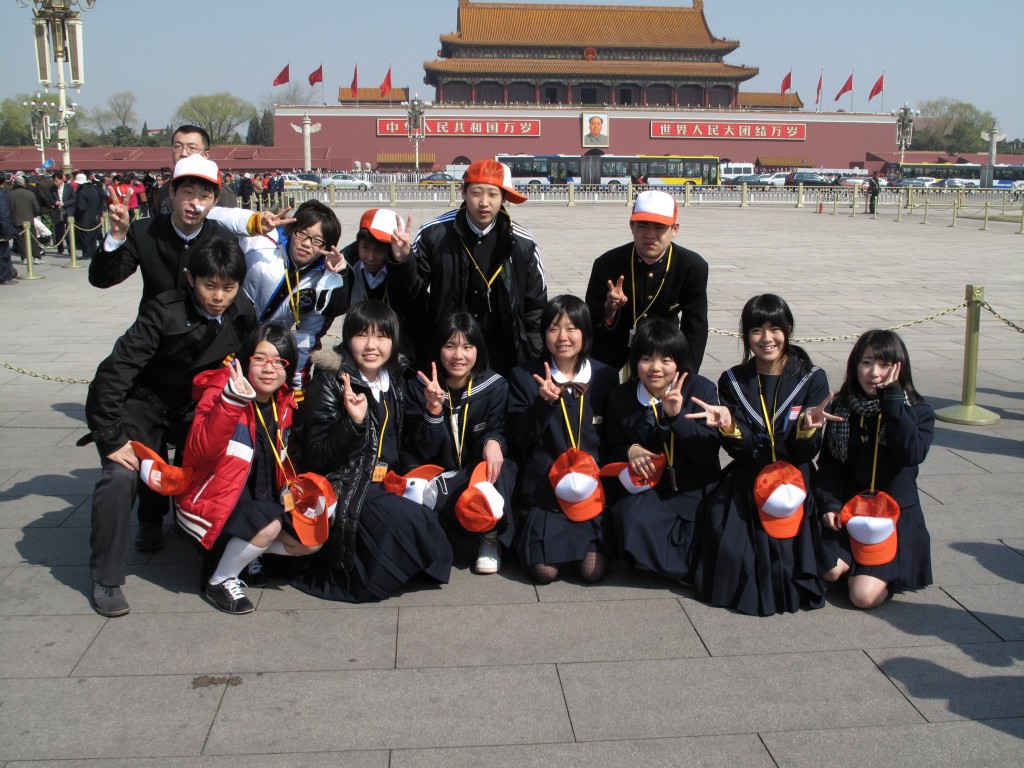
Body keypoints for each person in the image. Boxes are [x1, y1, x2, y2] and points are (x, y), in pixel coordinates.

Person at [83, 236, 256, 617]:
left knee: (231, 452)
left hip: (194, 407)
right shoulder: (162, 312)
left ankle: (206, 538)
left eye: (228, 287)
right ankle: (107, 576)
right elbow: (114, 374)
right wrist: (110, 437)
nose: (218, 297)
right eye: (209, 285)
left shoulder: (243, 313)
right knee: (121, 475)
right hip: (142, 404)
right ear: (190, 278)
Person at [294, 300, 453, 602]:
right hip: (349, 483)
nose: (371, 346)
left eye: (381, 336)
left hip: (388, 479)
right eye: (361, 335)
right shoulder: (330, 380)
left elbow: (412, 444)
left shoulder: (394, 379)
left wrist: (433, 411)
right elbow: (316, 456)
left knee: (432, 517)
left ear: (393, 341)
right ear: (347, 338)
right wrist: (352, 424)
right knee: (410, 522)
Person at [690, 294, 831, 616]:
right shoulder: (733, 380)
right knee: (731, 550)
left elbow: (806, 452)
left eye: (774, 328)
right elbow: (740, 449)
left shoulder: (811, 377)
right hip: (749, 474)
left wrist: (807, 429)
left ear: (788, 329)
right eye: (756, 330)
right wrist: (728, 427)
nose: (766, 339)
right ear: (746, 335)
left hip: (795, 474)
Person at [175, 323, 323, 614]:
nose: (269, 369)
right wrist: (230, 402)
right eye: (260, 359)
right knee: (268, 525)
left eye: (279, 361)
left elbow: (284, 456)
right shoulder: (222, 389)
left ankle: (244, 553)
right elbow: (199, 452)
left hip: (262, 497)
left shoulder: (285, 401)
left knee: (311, 541)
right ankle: (221, 579)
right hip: (216, 499)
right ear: (245, 360)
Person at [814, 330, 934, 609]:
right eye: (867, 362)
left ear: (899, 369)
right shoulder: (843, 407)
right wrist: (829, 504)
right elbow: (830, 464)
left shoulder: (917, 410)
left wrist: (892, 403)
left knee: (863, 596)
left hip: (889, 518)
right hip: (851, 511)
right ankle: (853, 562)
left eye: (884, 365)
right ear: (855, 364)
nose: (874, 373)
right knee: (830, 569)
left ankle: (883, 571)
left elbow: (911, 453)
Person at [507, 295, 618, 584]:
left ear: (585, 332)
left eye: (572, 328)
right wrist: (542, 405)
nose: (563, 337)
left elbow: (612, 437)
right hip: (545, 490)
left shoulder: (605, 376)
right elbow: (519, 439)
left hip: (591, 491)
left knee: (592, 571)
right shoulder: (525, 376)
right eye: (554, 328)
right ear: (544, 334)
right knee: (544, 573)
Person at [398, 159, 547, 375]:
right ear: (463, 192)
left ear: (504, 198)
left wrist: (532, 363)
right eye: (476, 193)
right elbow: (412, 292)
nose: (484, 202)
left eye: (493, 194)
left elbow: (536, 308)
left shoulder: (523, 243)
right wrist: (404, 261)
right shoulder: (434, 234)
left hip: (502, 355)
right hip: (450, 352)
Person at [604, 318, 721, 582]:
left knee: (709, 532)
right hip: (651, 490)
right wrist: (630, 450)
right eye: (646, 358)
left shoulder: (700, 390)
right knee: (629, 518)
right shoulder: (621, 397)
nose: (655, 368)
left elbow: (707, 451)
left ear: (679, 361)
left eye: (666, 359)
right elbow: (612, 446)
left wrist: (677, 417)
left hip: (695, 485)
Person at [405, 312, 517, 574]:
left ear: (478, 349)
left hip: (473, 474)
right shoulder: (417, 388)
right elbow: (421, 449)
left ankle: (491, 538)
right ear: (437, 348)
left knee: (502, 466)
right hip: (436, 474)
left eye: (467, 347)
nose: (459, 356)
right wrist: (433, 410)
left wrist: (493, 440)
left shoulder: (494, 386)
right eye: (450, 346)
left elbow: (500, 427)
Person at [210, 199, 346, 382]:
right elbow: (212, 215)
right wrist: (252, 221)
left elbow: (307, 335)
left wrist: (296, 384)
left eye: (317, 241)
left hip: (265, 354)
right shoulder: (263, 238)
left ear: (328, 247)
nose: (307, 244)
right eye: (302, 233)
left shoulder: (322, 281)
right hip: (222, 334)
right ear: (292, 228)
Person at [585, 189, 709, 374]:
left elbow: (695, 329)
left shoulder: (692, 266)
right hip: (612, 352)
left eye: (659, 227)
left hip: (663, 354)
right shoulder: (607, 263)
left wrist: (685, 375)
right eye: (642, 226)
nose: (650, 234)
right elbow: (589, 321)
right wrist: (609, 309)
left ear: (674, 229)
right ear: (631, 226)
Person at [90, 154, 231, 308]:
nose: (195, 203)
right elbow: (102, 279)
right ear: (172, 192)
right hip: (152, 328)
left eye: (204, 196)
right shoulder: (144, 231)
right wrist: (117, 235)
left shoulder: (224, 239)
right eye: (188, 193)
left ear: (215, 201)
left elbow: (234, 296)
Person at [337, 208, 418, 362]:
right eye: (365, 248)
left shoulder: (400, 270)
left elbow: (414, 298)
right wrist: (337, 276)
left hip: (397, 348)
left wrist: (404, 264)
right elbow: (333, 308)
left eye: (379, 250)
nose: (371, 257)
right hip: (361, 349)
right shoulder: (348, 267)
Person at [156, 124, 212, 215]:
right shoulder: (166, 188)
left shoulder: (217, 190)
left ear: (206, 155)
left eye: (192, 148)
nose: (183, 153)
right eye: (178, 146)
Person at [8, 175, 42, 263]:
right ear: (23, 184)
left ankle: (25, 258)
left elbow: (9, 208)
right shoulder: (30, 194)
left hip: (16, 220)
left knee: (21, 241)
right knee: (33, 239)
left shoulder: (10, 194)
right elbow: (37, 208)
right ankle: (36, 257)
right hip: (29, 219)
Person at [73, 173, 102, 263]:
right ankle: (92, 252)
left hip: (84, 217)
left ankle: (86, 253)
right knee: (93, 235)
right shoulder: (94, 190)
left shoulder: (82, 192)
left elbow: (80, 207)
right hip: (94, 216)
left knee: (84, 236)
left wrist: (76, 216)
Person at [50, 172, 76, 255]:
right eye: (54, 181)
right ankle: (60, 248)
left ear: (61, 179)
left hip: (68, 210)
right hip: (58, 211)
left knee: (69, 232)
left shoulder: (69, 187)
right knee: (59, 231)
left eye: (56, 181)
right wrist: (55, 202)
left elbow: (74, 198)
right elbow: (50, 198)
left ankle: (70, 249)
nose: (55, 182)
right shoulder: (52, 188)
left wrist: (65, 203)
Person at [0, 176, 17, 285]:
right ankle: (4, 277)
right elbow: (3, 214)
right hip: (1, 230)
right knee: (3, 254)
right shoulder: (1, 195)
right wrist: (7, 232)